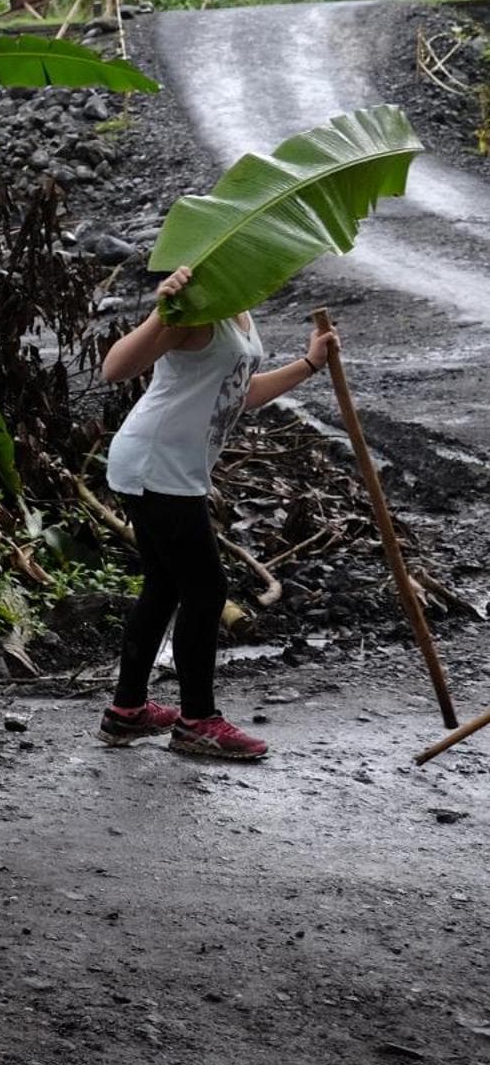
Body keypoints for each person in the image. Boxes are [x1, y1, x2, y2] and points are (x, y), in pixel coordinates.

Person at [97, 263, 336, 759]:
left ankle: (127, 711)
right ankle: (197, 721)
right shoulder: (193, 309)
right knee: (206, 589)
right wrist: (161, 313)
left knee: (165, 586)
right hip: (155, 463)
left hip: (173, 467)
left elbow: (240, 395)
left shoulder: (237, 309)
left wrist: (310, 364)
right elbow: (114, 369)